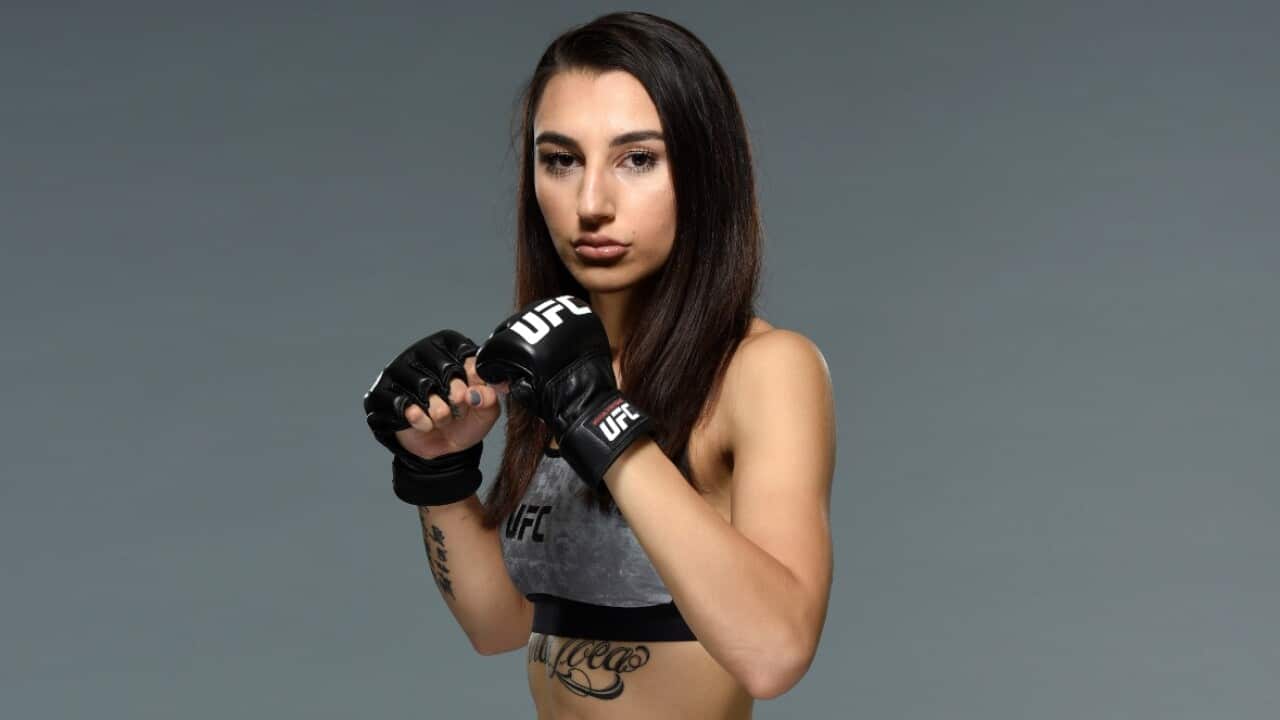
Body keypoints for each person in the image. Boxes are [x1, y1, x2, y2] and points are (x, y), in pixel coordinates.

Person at [363, 11, 836, 717]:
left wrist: (600, 418)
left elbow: (775, 652)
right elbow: (501, 627)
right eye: (561, 160)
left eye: (637, 159)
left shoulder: (763, 369)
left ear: (705, 173)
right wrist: (439, 471)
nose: (590, 204)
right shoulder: (555, 363)